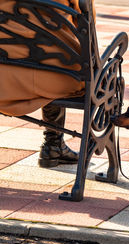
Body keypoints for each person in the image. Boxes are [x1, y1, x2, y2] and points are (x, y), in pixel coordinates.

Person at [0, 0, 96, 167]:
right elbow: (87, 23)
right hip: (57, 75)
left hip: (4, 77)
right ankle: (53, 144)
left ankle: (54, 145)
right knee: (60, 59)